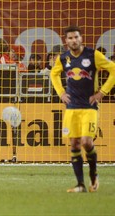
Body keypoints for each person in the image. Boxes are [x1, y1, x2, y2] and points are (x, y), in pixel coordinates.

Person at [50, 25, 115, 193]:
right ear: (66, 41)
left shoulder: (93, 55)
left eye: (76, 37)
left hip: (89, 107)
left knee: (86, 142)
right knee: (74, 144)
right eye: (70, 38)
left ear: (81, 38)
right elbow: (53, 74)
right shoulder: (63, 58)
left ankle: (94, 175)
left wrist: (101, 92)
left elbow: (113, 70)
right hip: (72, 108)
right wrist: (61, 93)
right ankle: (80, 185)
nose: (73, 40)